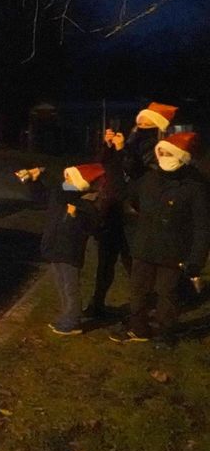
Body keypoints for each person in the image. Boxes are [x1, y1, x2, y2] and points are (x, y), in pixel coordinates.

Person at [111, 132, 209, 347]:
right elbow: (127, 194)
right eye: (161, 151)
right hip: (145, 247)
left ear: (181, 156)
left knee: (167, 294)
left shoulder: (195, 187)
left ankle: (166, 334)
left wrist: (196, 260)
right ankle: (139, 329)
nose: (164, 155)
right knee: (138, 292)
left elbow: (203, 227)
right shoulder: (149, 179)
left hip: (173, 252)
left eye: (169, 152)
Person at [22, 163, 106, 335]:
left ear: (79, 182)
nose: (65, 179)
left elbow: (92, 226)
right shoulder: (60, 195)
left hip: (70, 251)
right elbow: (41, 197)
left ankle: (73, 320)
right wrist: (34, 181)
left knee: (70, 287)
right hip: (54, 247)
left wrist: (75, 216)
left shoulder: (85, 204)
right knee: (61, 285)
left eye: (69, 177)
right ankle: (67, 315)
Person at [85, 128, 130, 318]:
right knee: (104, 266)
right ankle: (97, 304)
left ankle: (142, 307)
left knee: (133, 265)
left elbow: (129, 169)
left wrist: (121, 149)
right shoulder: (109, 161)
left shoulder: (130, 159)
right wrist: (107, 144)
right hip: (110, 218)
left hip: (129, 220)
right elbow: (101, 162)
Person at [121, 102, 176, 181]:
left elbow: (135, 171)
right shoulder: (132, 142)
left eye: (147, 125)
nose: (142, 128)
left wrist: (123, 150)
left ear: (159, 128)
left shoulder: (163, 151)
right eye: (139, 124)